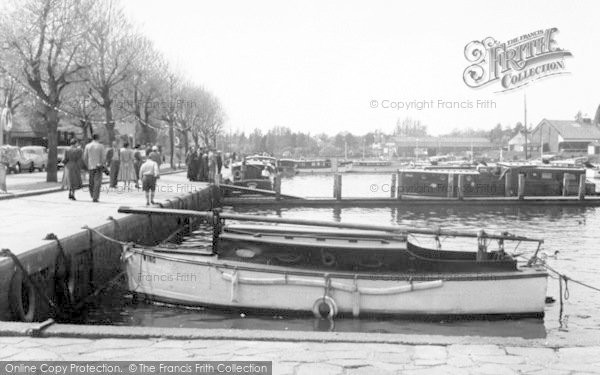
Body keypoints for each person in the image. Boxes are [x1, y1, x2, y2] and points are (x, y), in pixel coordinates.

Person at [83, 134, 106, 202]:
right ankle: (95, 197)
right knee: (97, 182)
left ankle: (92, 194)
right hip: (98, 166)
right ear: (98, 138)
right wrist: (102, 164)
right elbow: (103, 157)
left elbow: (85, 157)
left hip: (90, 166)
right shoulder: (101, 146)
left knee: (91, 182)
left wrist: (87, 165)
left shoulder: (88, 146)